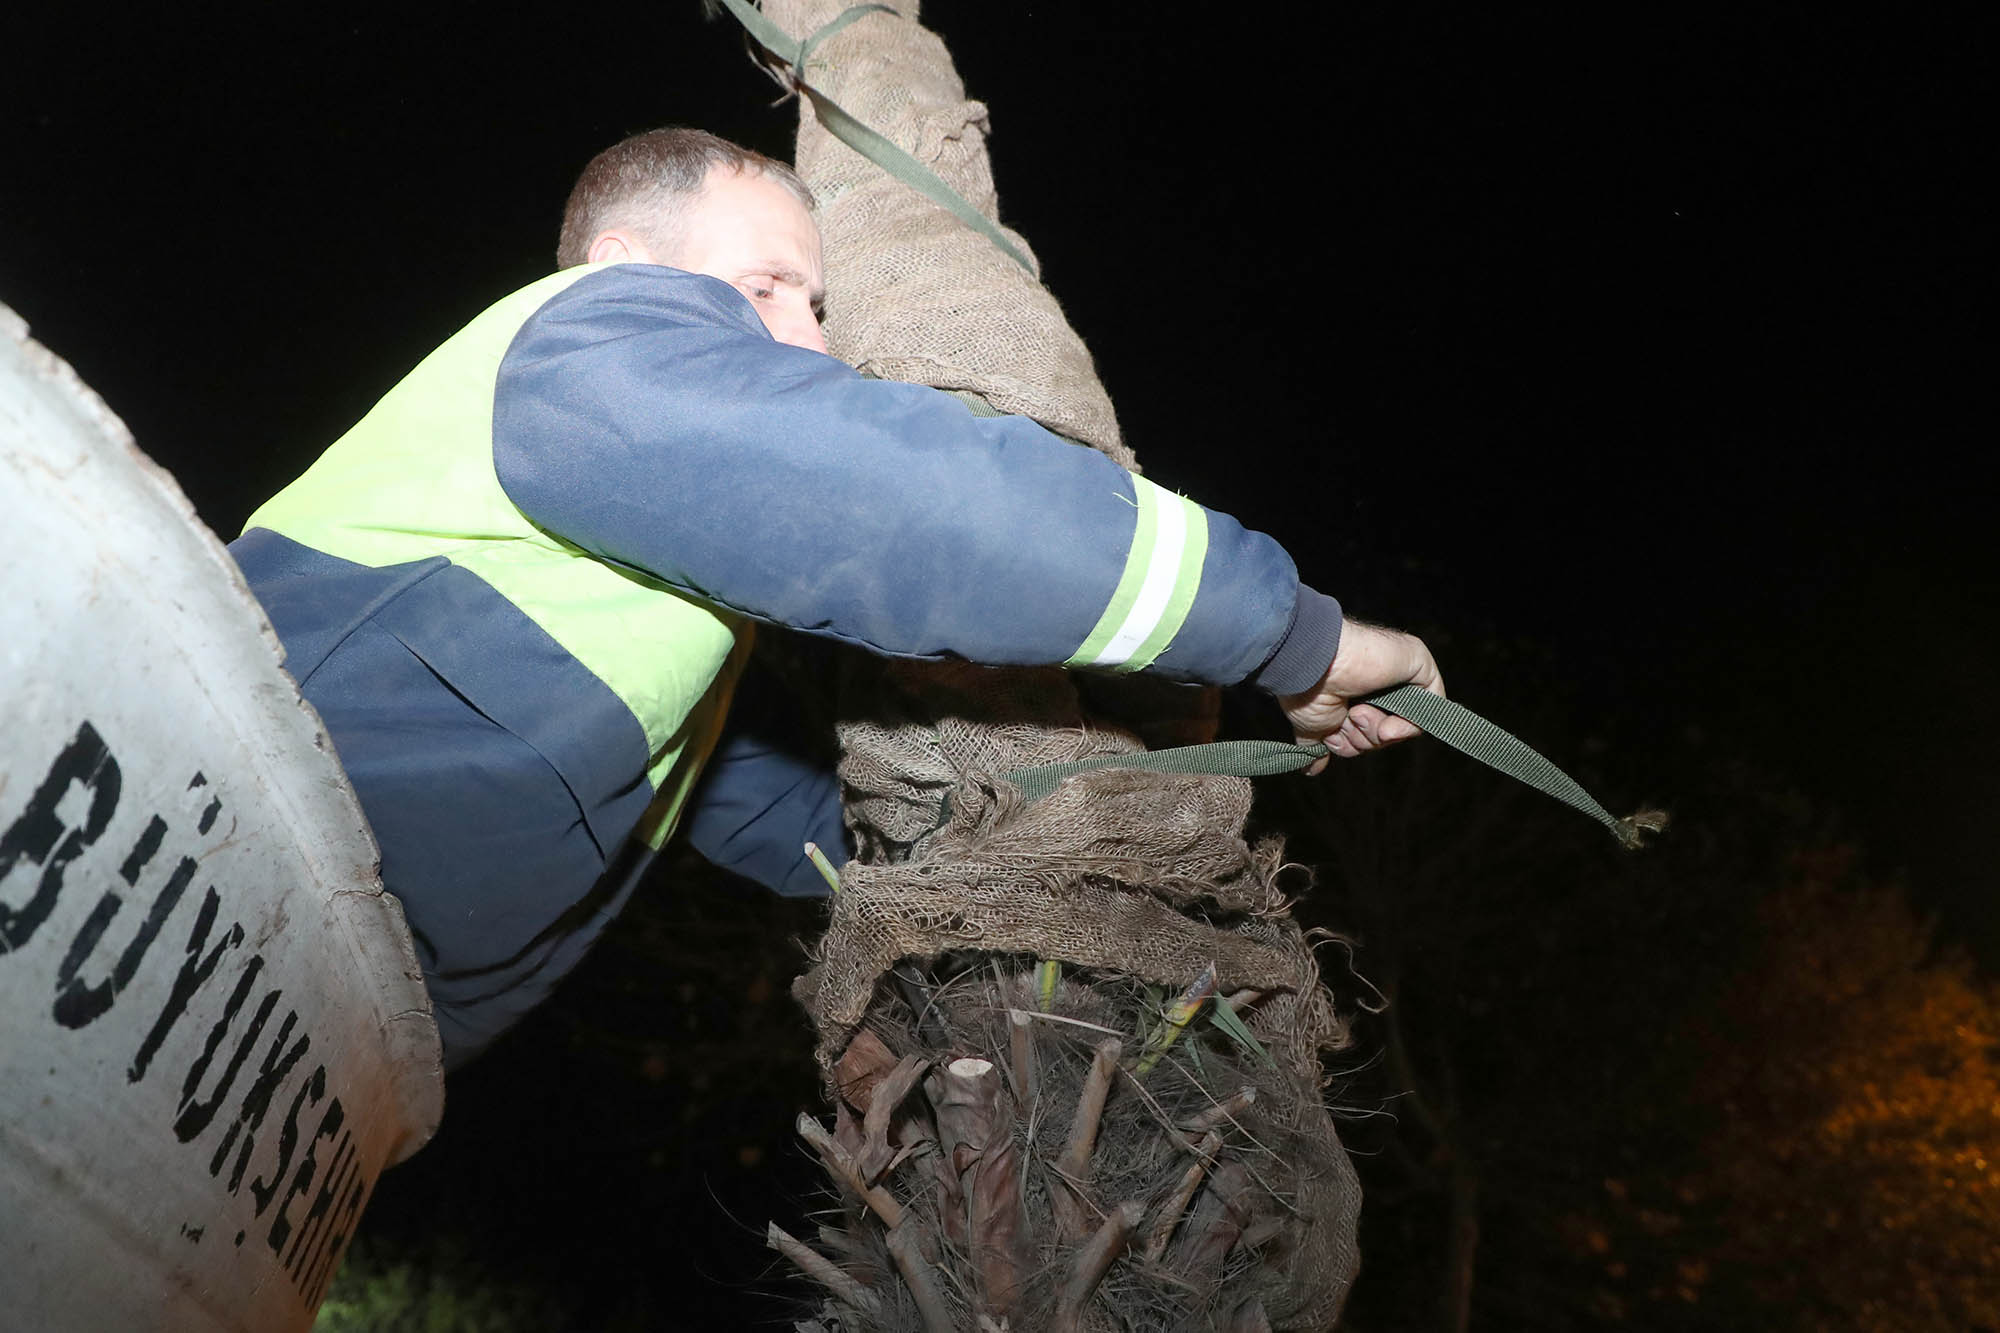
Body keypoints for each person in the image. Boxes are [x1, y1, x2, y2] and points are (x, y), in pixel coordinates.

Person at [229, 127, 1444, 1069]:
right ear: (623, 267)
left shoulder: (644, 593)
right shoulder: (576, 341)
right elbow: (905, 501)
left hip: (333, 1033)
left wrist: (966, 867)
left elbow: (719, 790)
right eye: (768, 286)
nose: (808, 343)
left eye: (817, 307)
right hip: (217, 867)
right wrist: (1291, 634)